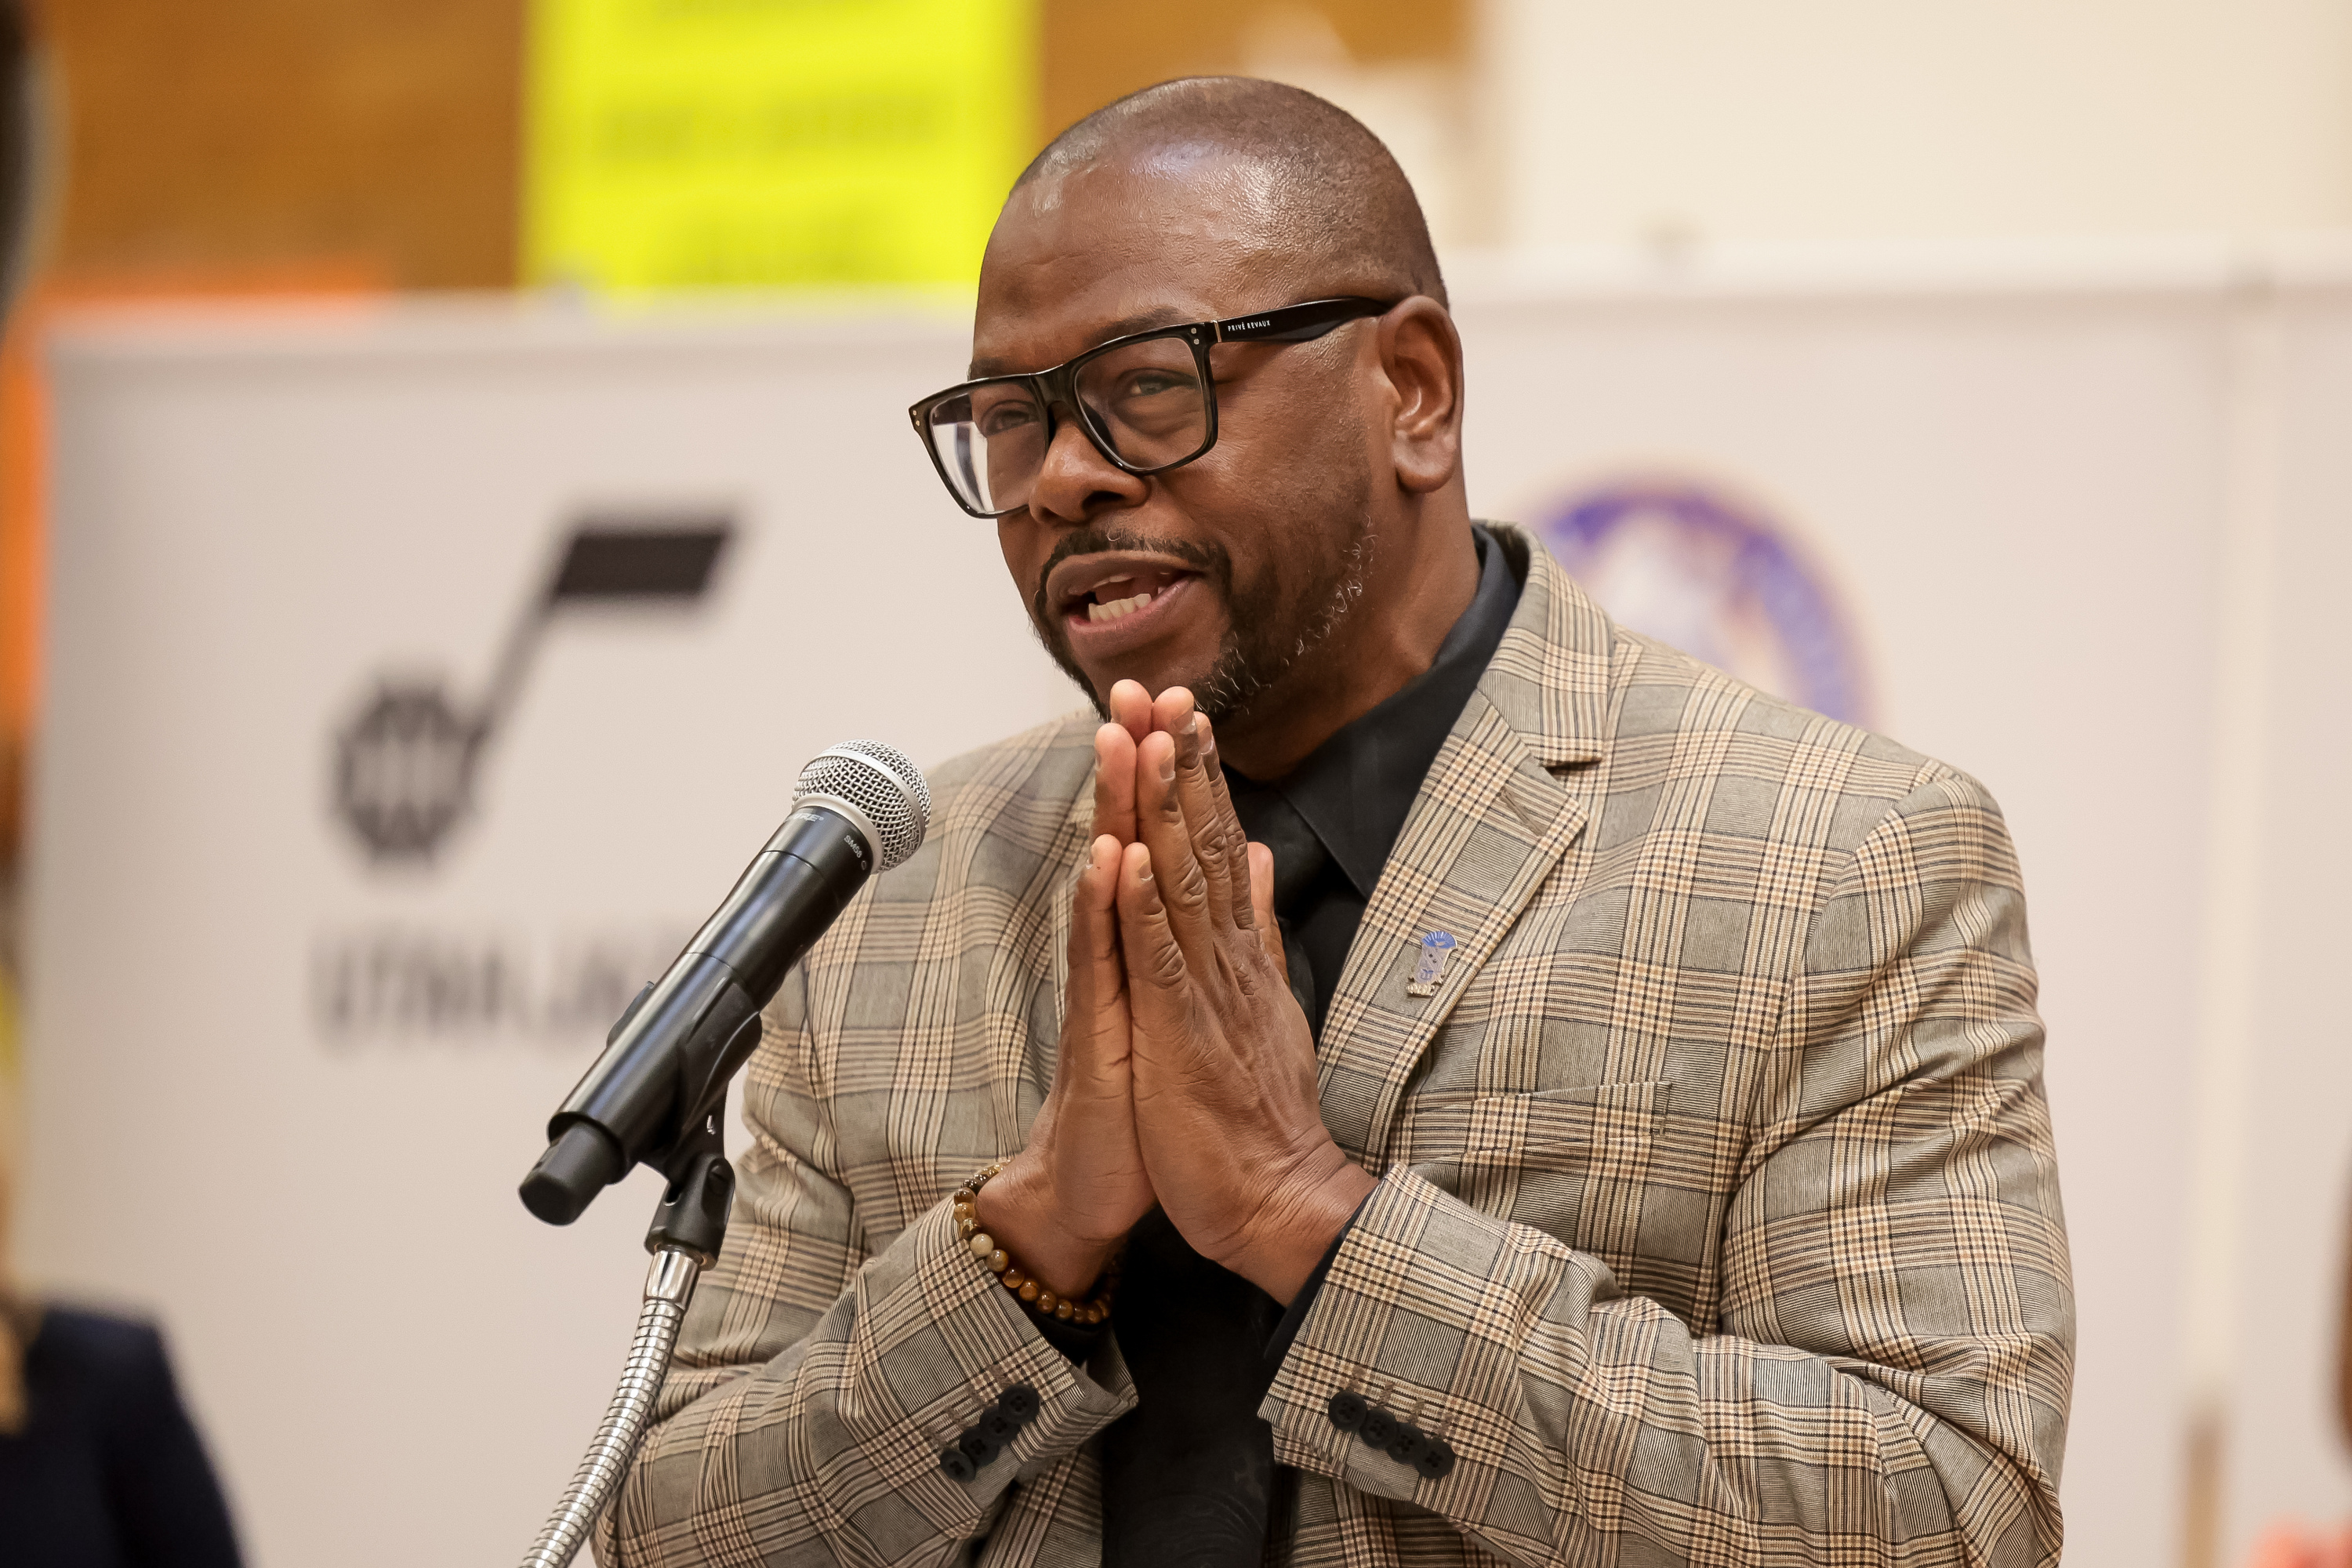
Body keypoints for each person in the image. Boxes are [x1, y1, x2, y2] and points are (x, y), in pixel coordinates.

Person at [599, 78, 2072, 1567]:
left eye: (1151, 386)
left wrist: (1307, 1219)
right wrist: (1031, 1242)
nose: (1062, 478)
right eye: (1004, 420)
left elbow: (1946, 1518)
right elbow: (666, 1535)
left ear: (1413, 392)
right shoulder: (898, 900)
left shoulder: (1842, 856)